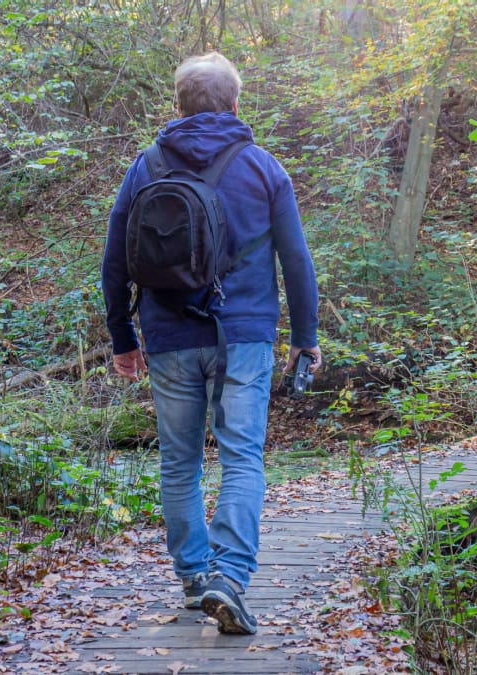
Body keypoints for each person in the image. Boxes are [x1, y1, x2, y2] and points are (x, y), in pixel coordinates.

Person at [101, 52, 321, 636]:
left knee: (180, 461)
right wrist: (305, 337)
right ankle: (231, 577)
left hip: (168, 334)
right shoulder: (263, 167)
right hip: (244, 334)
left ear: (177, 105)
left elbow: (115, 262)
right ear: (234, 103)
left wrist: (124, 339)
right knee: (242, 456)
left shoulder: (145, 166)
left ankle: (196, 577)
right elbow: (295, 259)